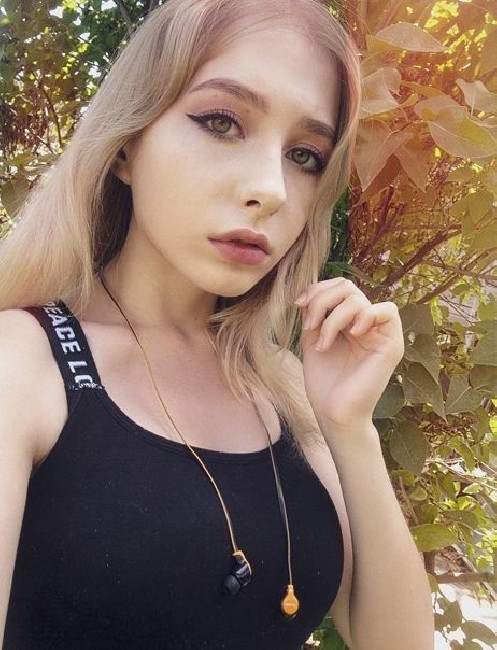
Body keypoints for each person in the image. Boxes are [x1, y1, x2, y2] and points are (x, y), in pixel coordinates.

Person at [0, 0, 434, 647]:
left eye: (305, 156)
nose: (272, 189)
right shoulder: (21, 365)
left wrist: (350, 428)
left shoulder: (282, 382)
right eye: (221, 122)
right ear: (126, 145)